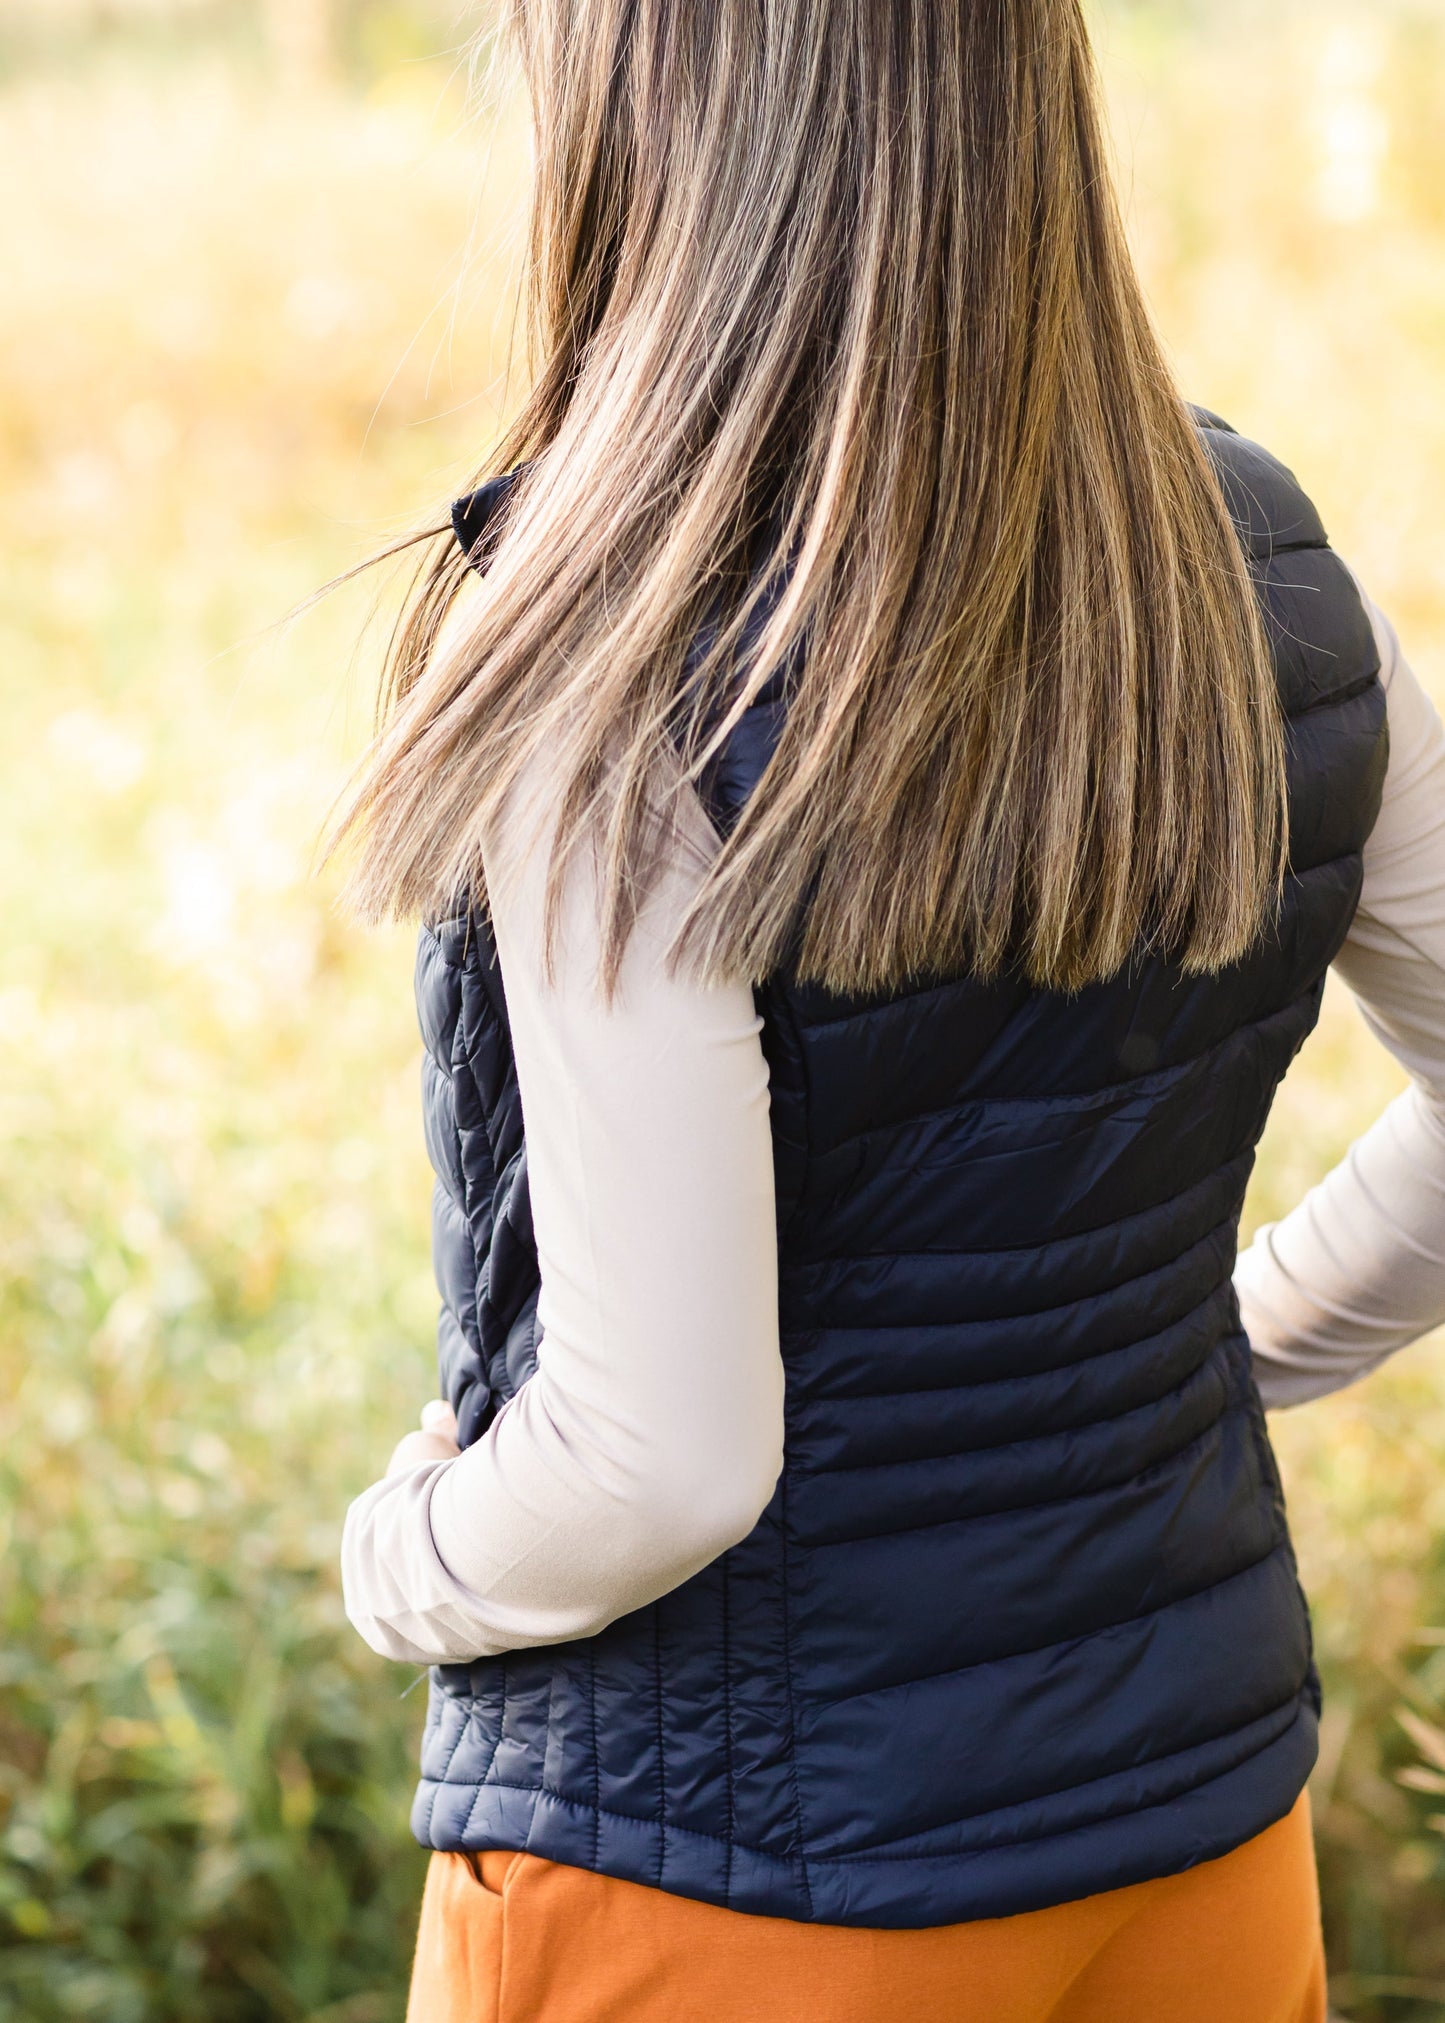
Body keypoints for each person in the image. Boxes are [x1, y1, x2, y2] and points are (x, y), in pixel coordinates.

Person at [331, 1, 1445, 2016]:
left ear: (644, 103)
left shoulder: (611, 651)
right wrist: (1228, 1346)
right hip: (1195, 1841)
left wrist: (402, 1557)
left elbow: (657, 1461)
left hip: (733, 1888)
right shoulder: (1262, 568)